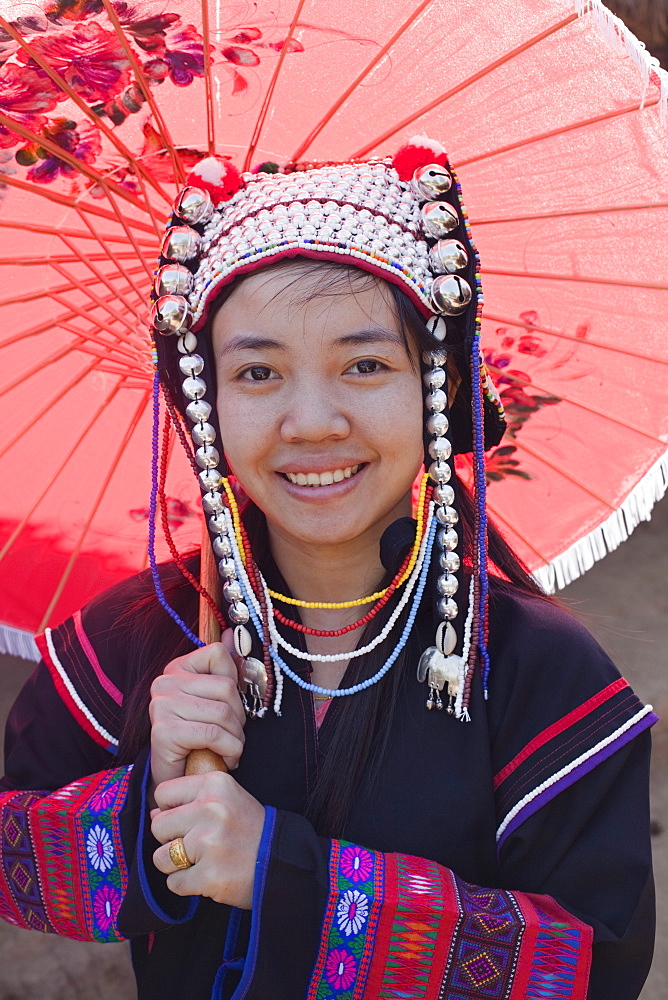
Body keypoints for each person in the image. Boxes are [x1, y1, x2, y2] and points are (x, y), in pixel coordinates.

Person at [0, 138, 657, 1000]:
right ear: (206, 400)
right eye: (259, 371)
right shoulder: (137, 633)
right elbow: (11, 865)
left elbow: (595, 967)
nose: (311, 423)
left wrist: (284, 873)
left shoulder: (537, 669)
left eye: (365, 365)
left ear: (439, 388)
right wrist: (146, 792)